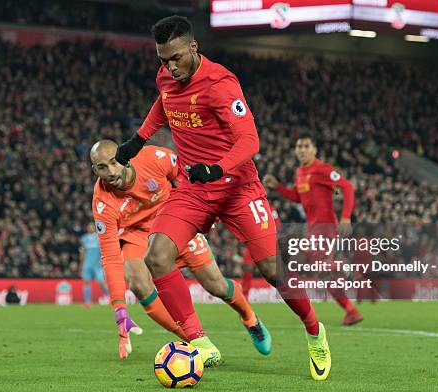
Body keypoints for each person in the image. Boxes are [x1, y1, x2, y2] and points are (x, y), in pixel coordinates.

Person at [116, 16, 331, 381]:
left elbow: (250, 141)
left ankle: (314, 330)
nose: (169, 67)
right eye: (163, 59)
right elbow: (163, 103)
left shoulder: (220, 83)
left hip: (237, 188)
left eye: (176, 58)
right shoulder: (166, 77)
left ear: (194, 48)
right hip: (194, 189)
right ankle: (199, 341)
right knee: (158, 256)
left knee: (271, 270)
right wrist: (139, 138)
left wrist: (218, 167)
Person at [90, 140, 271, 364]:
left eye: (114, 163)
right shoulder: (102, 202)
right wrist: (120, 309)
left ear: (124, 158)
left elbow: (188, 174)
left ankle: (249, 317)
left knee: (217, 286)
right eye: (102, 168)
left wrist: (203, 211)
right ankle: (196, 342)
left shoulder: (154, 158)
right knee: (137, 281)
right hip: (138, 236)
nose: (110, 172)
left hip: (175, 224)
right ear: (94, 170)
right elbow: (110, 256)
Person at [263, 132, 364, 326]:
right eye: (299, 146)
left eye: (306, 146)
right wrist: (278, 187)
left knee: (298, 264)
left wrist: (345, 217)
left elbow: (347, 187)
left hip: (325, 229)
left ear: (314, 149)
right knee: (319, 272)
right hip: (312, 229)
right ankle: (351, 310)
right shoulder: (300, 173)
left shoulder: (322, 169)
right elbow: (297, 197)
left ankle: (346, 268)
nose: (302, 150)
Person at [79, 223, 109, 308]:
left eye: (92, 227)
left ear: (95, 228)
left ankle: (111, 298)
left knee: (101, 282)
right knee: (86, 282)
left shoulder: (99, 237)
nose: (90, 228)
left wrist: (102, 260)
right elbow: (82, 251)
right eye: (89, 227)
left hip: (97, 264)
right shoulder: (84, 238)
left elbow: (104, 249)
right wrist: (81, 263)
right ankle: (87, 302)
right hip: (87, 264)